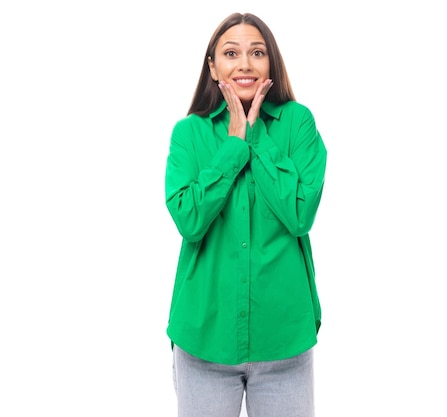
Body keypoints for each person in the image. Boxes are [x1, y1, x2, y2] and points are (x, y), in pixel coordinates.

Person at [164, 12, 327, 417]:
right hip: (204, 340)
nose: (244, 64)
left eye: (257, 52)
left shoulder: (297, 124)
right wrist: (234, 147)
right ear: (213, 65)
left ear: (271, 62)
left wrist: (256, 138)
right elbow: (189, 219)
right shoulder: (190, 133)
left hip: (283, 342)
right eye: (231, 52)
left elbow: (300, 215)